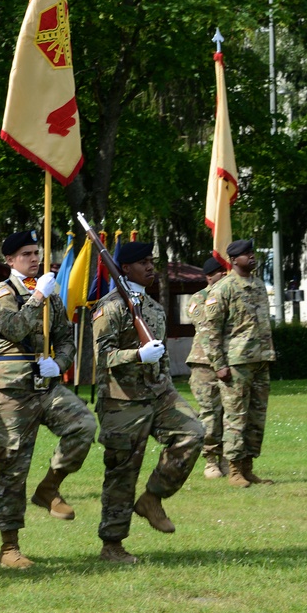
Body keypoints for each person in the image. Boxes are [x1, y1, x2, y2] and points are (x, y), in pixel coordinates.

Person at [0, 230, 97, 570]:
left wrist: (59, 362)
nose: (34, 259)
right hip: (13, 389)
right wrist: (37, 299)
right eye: (26, 254)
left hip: (46, 384)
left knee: (83, 425)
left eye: (36, 253)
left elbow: (66, 338)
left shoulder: (49, 293)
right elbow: (12, 328)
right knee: (13, 466)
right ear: (10, 260)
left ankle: (50, 486)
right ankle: (9, 547)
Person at [91, 241, 204, 565]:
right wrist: (137, 355)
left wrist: (165, 382)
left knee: (193, 432)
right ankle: (112, 545)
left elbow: (162, 358)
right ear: (124, 268)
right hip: (122, 401)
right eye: (143, 262)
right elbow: (102, 357)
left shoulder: (152, 308)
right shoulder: (109, 307)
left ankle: (153, 498)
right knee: (122, 472)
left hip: (158, 392)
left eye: (152, 261)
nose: (150, 267)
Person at [202, 238, 276, 488]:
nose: (252, 257)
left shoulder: (258, 285)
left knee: (257, 417)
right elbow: (211, 330)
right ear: (234, 260)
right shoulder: (223, 288)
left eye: (253, 253)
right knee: (236, 417)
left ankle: (248, 467)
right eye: (246, 254)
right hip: (236, 363)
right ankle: (233, 470)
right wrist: (218, 364)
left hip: (260, 360)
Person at [186, 256, 229, 479]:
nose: (227, 276)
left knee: (230, 414)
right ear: (211, 276)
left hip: (230, 362)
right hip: (204, 364)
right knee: (211, 414)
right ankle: (211, 460)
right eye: (223, 272)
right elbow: (207, 326)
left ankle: (228, 458)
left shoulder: (230, 295)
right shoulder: (198, 299)